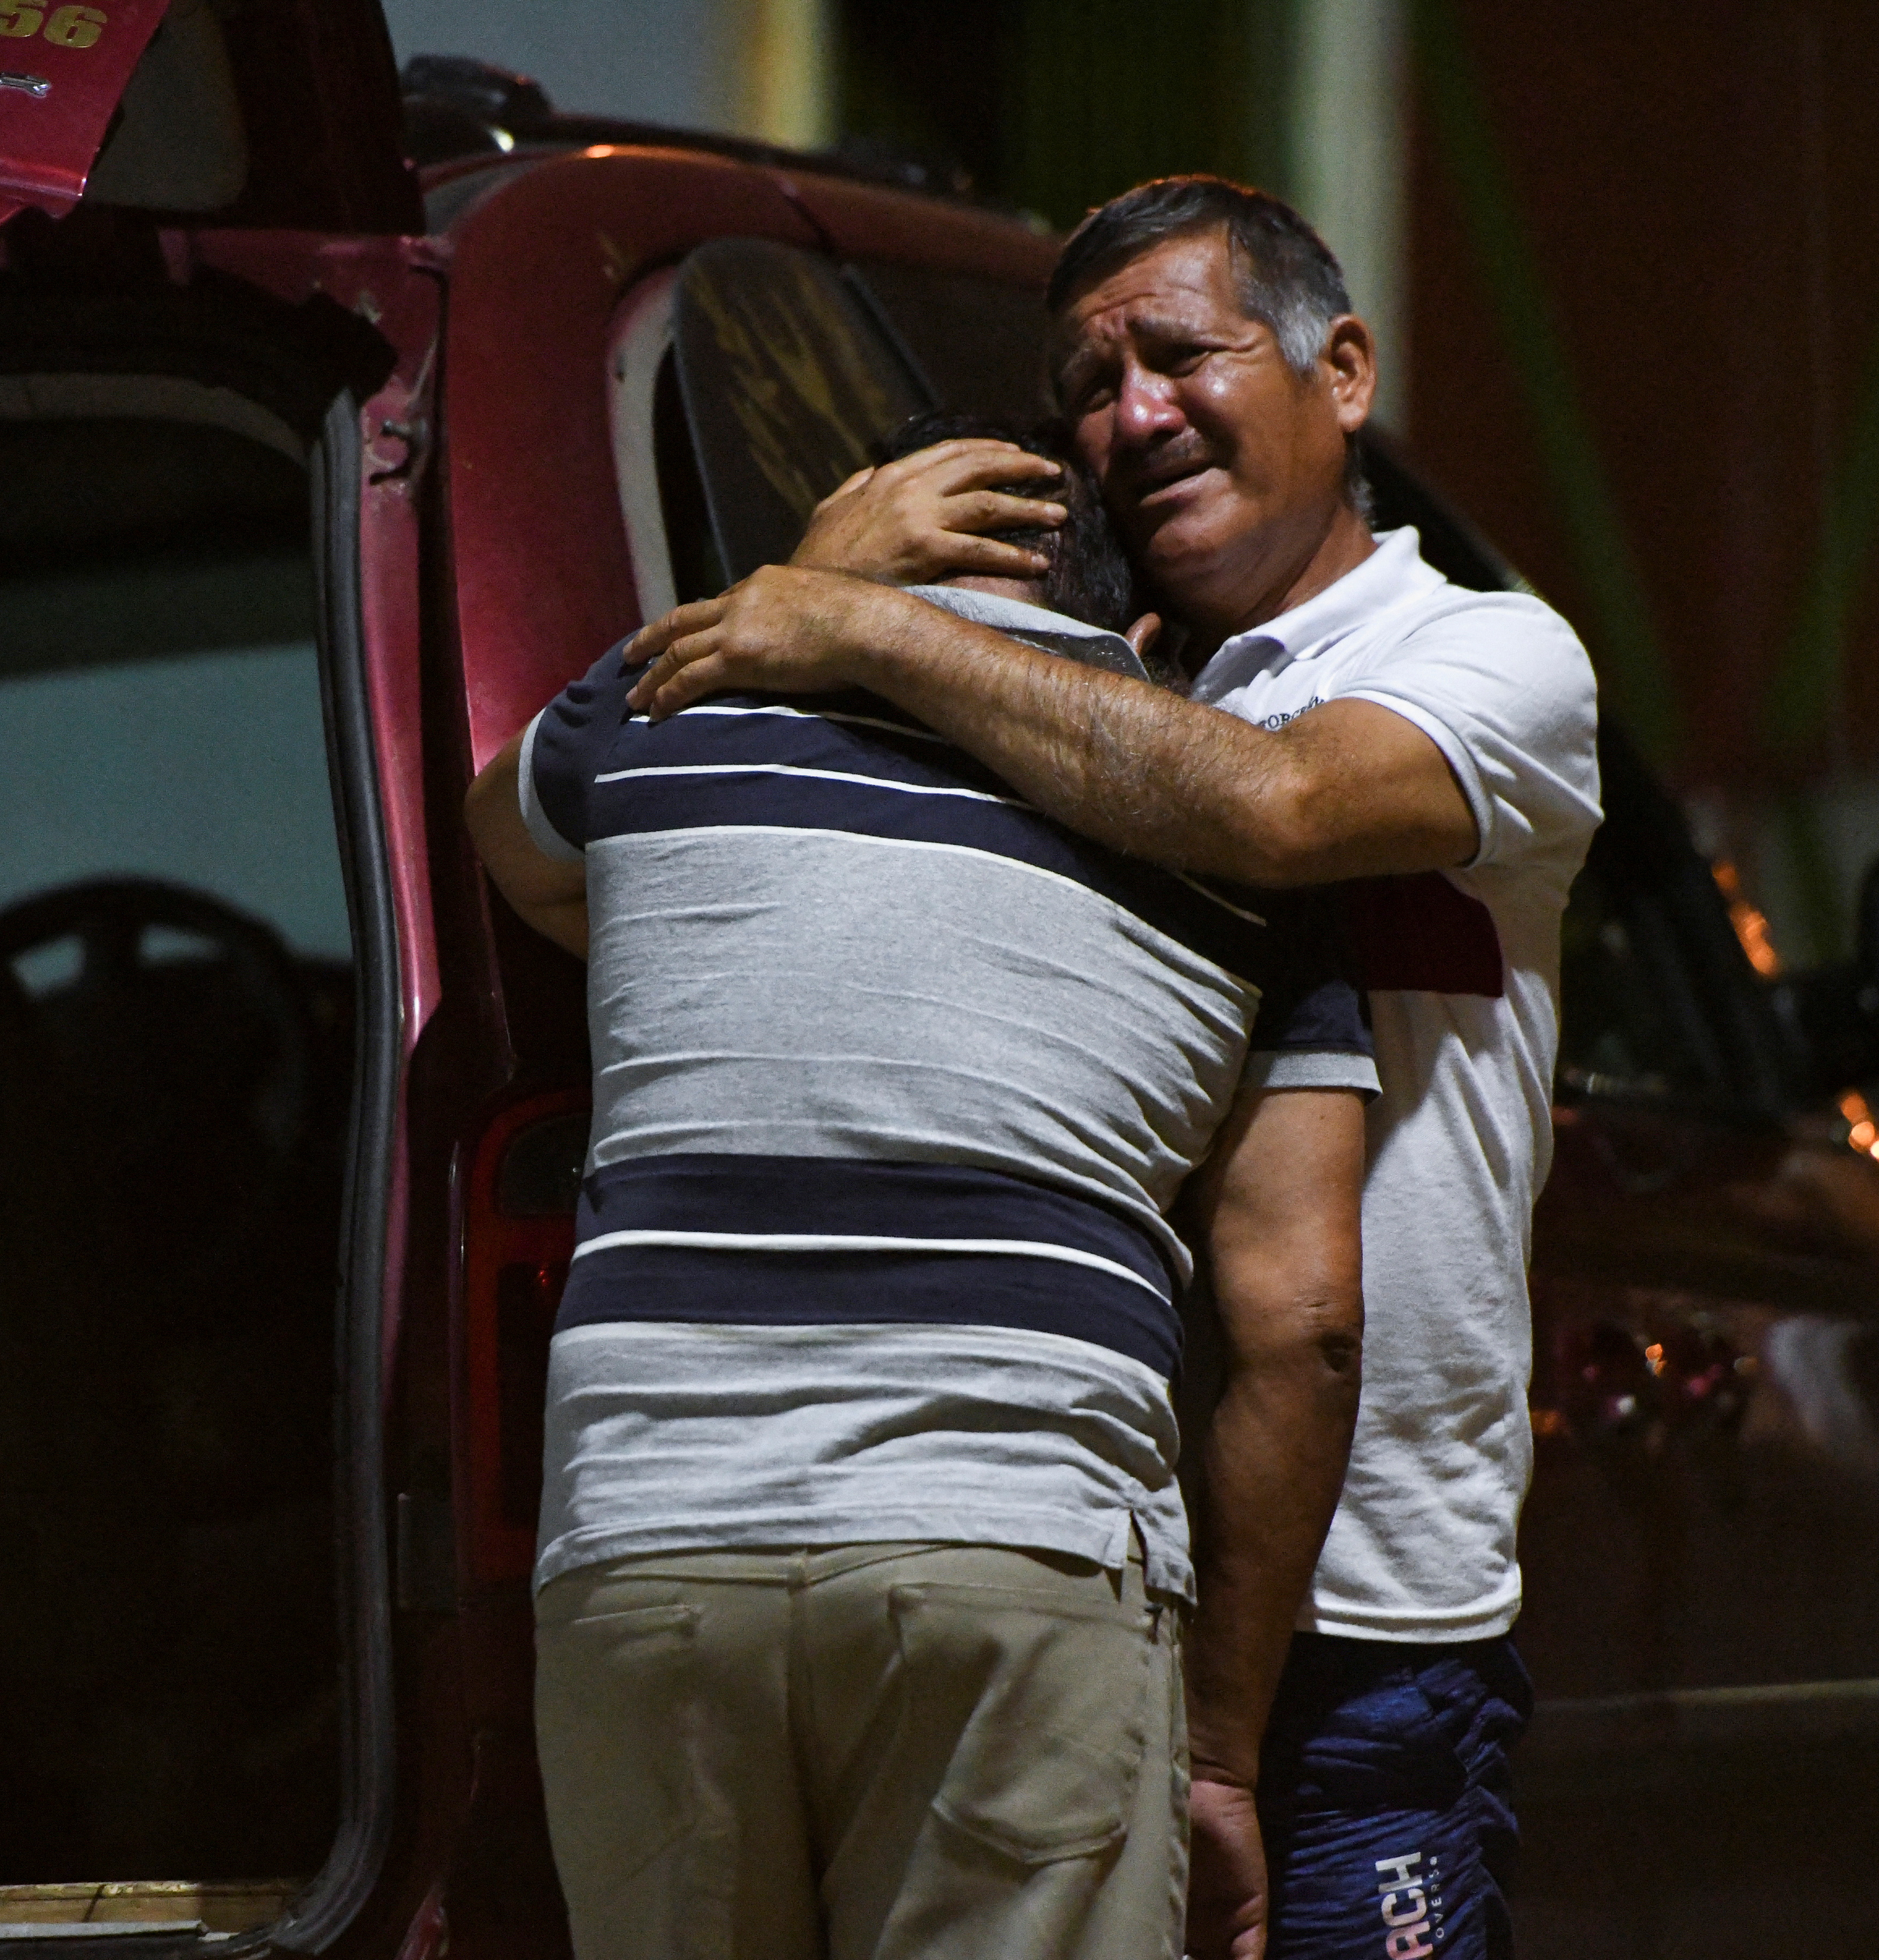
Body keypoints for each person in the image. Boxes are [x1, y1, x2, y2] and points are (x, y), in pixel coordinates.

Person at [619, 179, 1603, 1960]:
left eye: (1180, 352)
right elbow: (633, 840)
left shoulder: (1486, 656)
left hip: (1364, 1613)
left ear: (1344, 369)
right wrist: (836, 598)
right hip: (1082, 1581)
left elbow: (1278, 810)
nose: (1131, 412)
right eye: (1086, 381)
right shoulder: (1056, 688)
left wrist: (850, 625)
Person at [465, 414, 1375, 1960]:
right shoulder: (1240, 845)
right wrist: (1221, 1754)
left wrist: (803, 597)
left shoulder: (665, 727)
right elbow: (1305, 1327)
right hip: (1012, 1544)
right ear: (1136, 623)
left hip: (651, 1544)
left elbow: (506, 827)